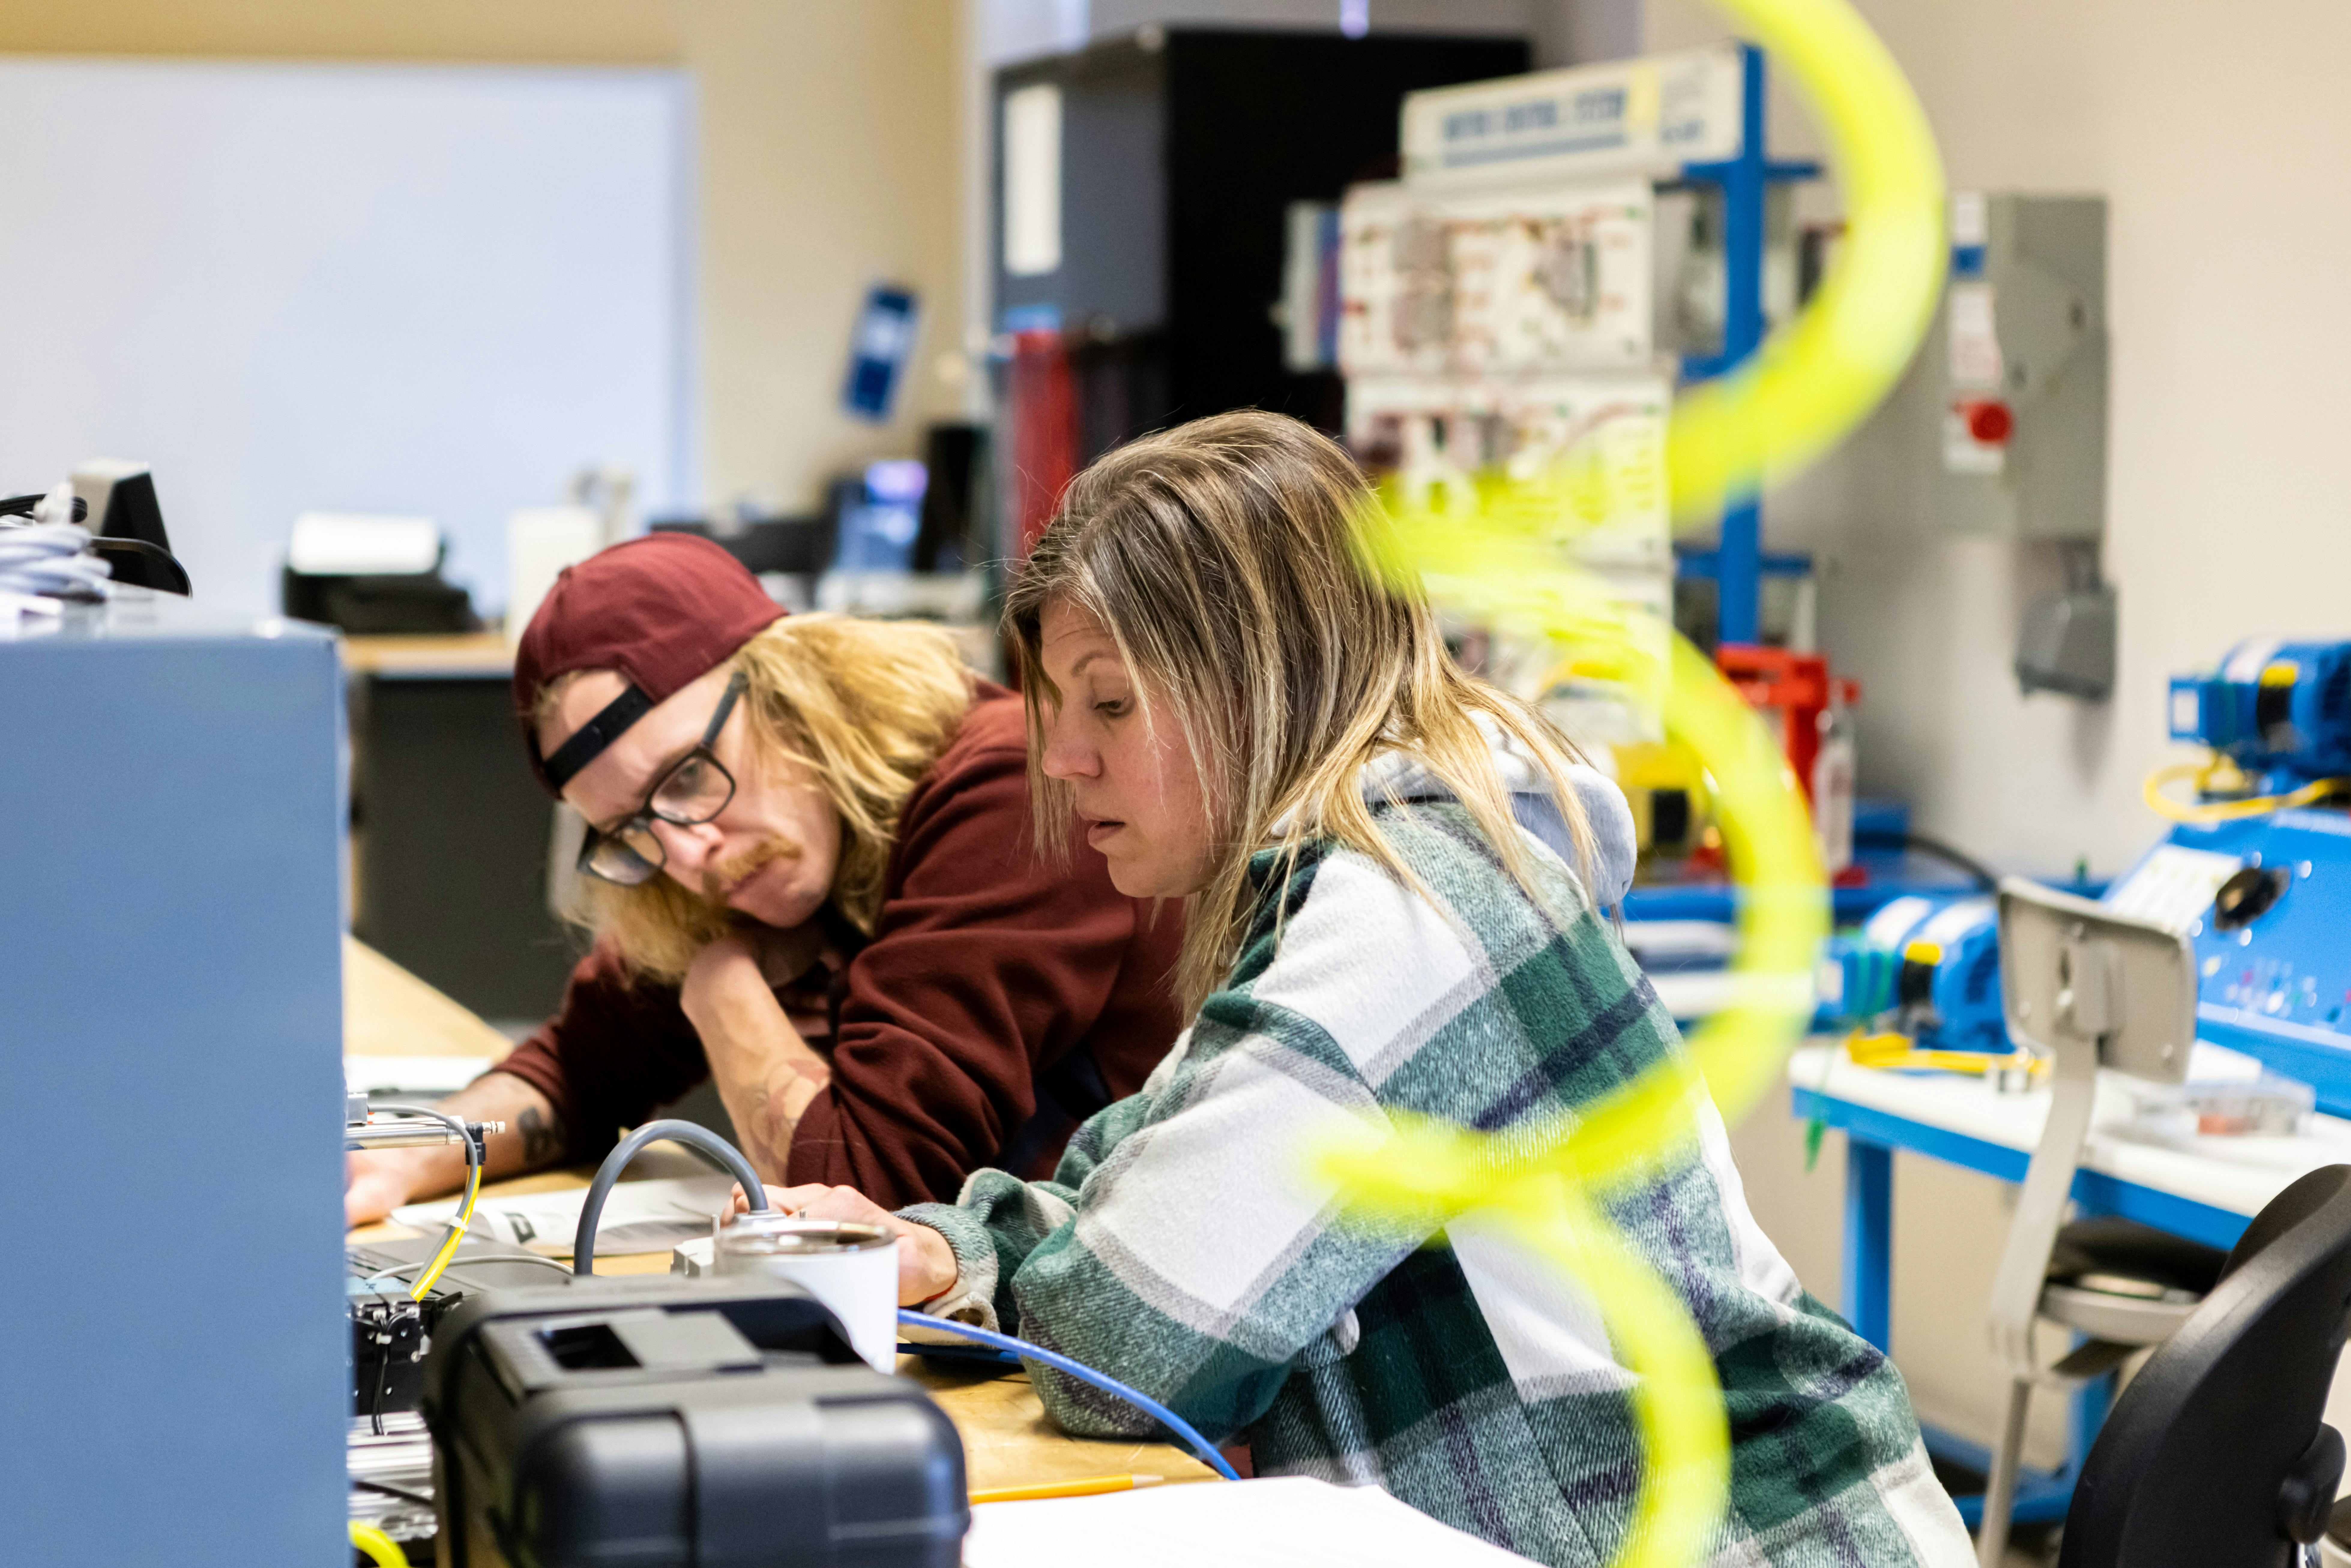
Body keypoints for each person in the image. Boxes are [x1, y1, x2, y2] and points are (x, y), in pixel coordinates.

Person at [738, 412, 1973, 1567]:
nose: (1064, 758)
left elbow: (1129, 1343)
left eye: (1111, 701)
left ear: (1259, 680)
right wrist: (933, 1250)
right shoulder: (1337, 888)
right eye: (1059, 710)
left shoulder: (1410, 910)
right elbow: (1129, 1193)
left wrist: (1014, 1262)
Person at [344, 531, 1183, 1224]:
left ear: (796, 687)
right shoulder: (740, 849)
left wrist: (718, 985)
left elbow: (865, 1201)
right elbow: (577, 1067)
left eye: (683, 777)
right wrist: (405, 1158)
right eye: (629, 827)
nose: (686, 854)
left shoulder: (1006, 787)